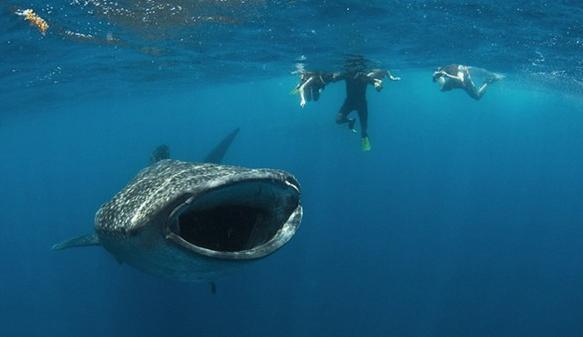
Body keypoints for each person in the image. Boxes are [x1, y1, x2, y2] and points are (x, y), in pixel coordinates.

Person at [296, 61, 400, 152]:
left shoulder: (364, 76)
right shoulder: (346, 74)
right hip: (349, 102)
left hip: (361, 104)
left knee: (364, 129)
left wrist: (378, 85)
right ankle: (351, 121)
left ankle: (364, 137)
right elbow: (332, 78)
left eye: (354, 68)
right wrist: (317, 83)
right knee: (338, 120)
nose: (352, 69)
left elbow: (376, 82)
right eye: (350, 67)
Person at [432, 64, 504, 100]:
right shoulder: (440, 74)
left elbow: (461, 80)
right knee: (442, 88)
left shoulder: (453, 69)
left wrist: (447, 75)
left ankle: (489, 81)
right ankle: (489, 80)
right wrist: (435, 76)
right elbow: (435, 81)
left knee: (477, 96)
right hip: (455, 83)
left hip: (465, 81)